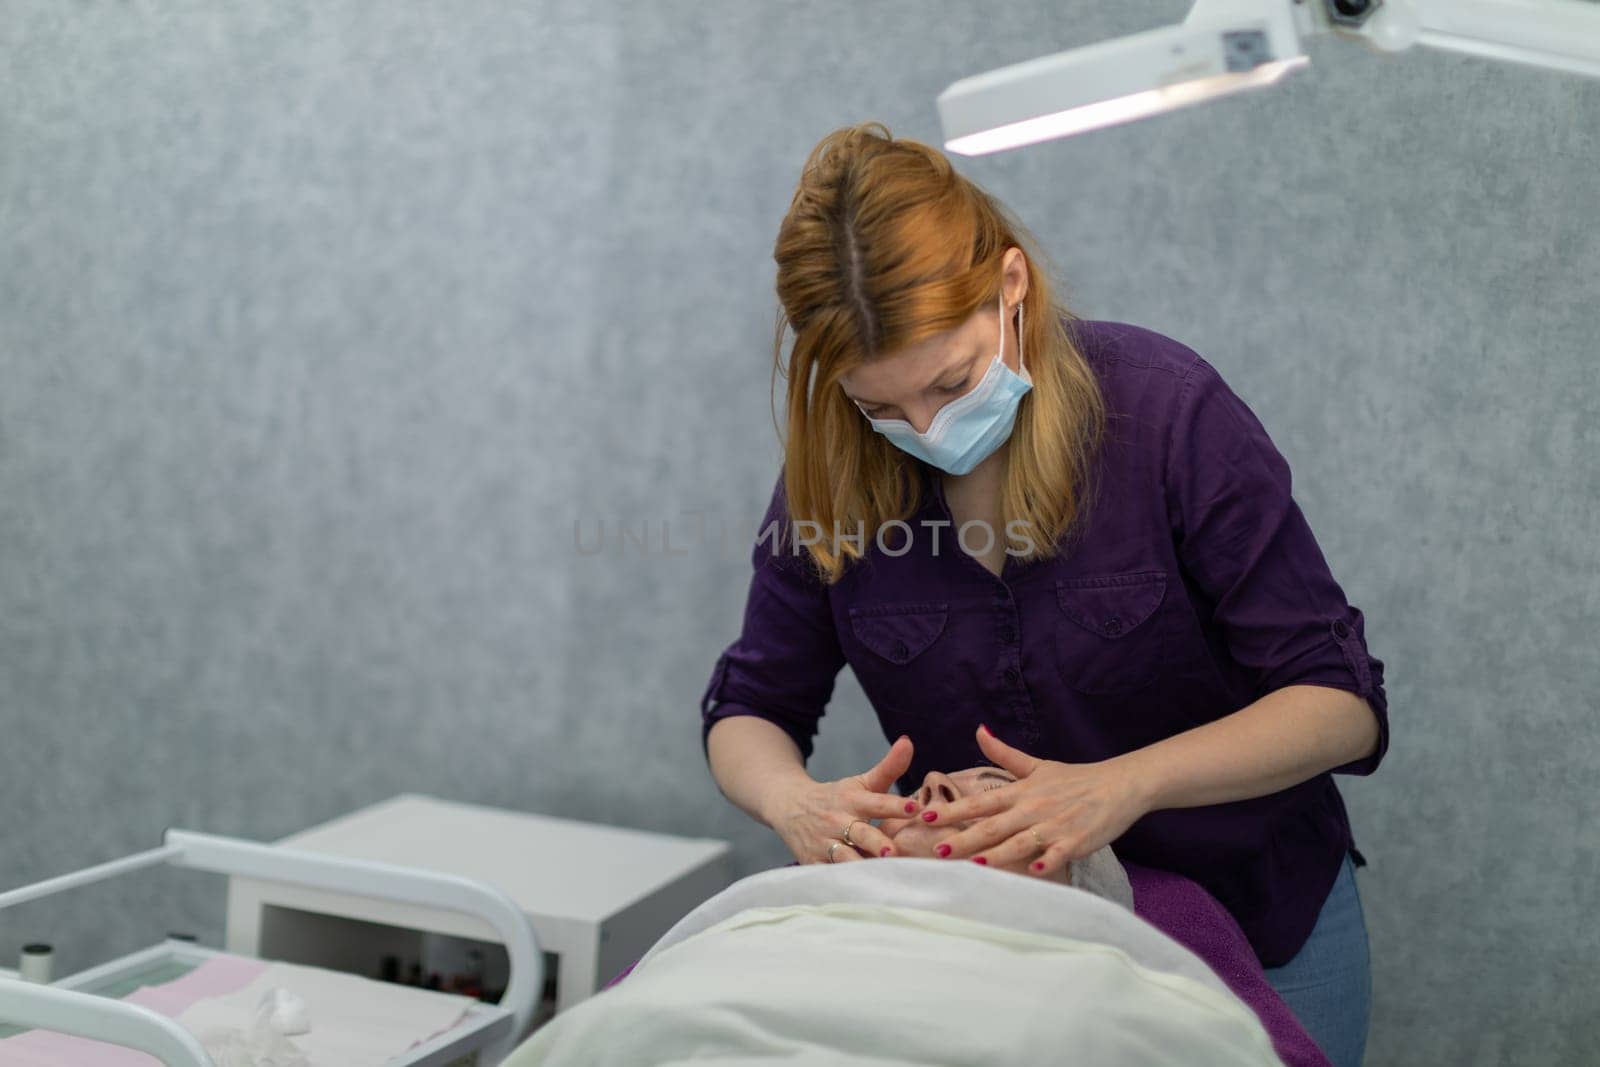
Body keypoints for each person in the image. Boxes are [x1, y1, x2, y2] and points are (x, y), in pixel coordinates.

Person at [701, 121, 1386, 1067]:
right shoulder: (837, 474)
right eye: (882, 407)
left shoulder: (1167, 418)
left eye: (949, 381)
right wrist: (794, 802)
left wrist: (1119, 786)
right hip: (1013, 935)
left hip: (1256, 906)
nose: (927, 428)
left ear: (1009, 287)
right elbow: (751, 706)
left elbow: (1340, 705)